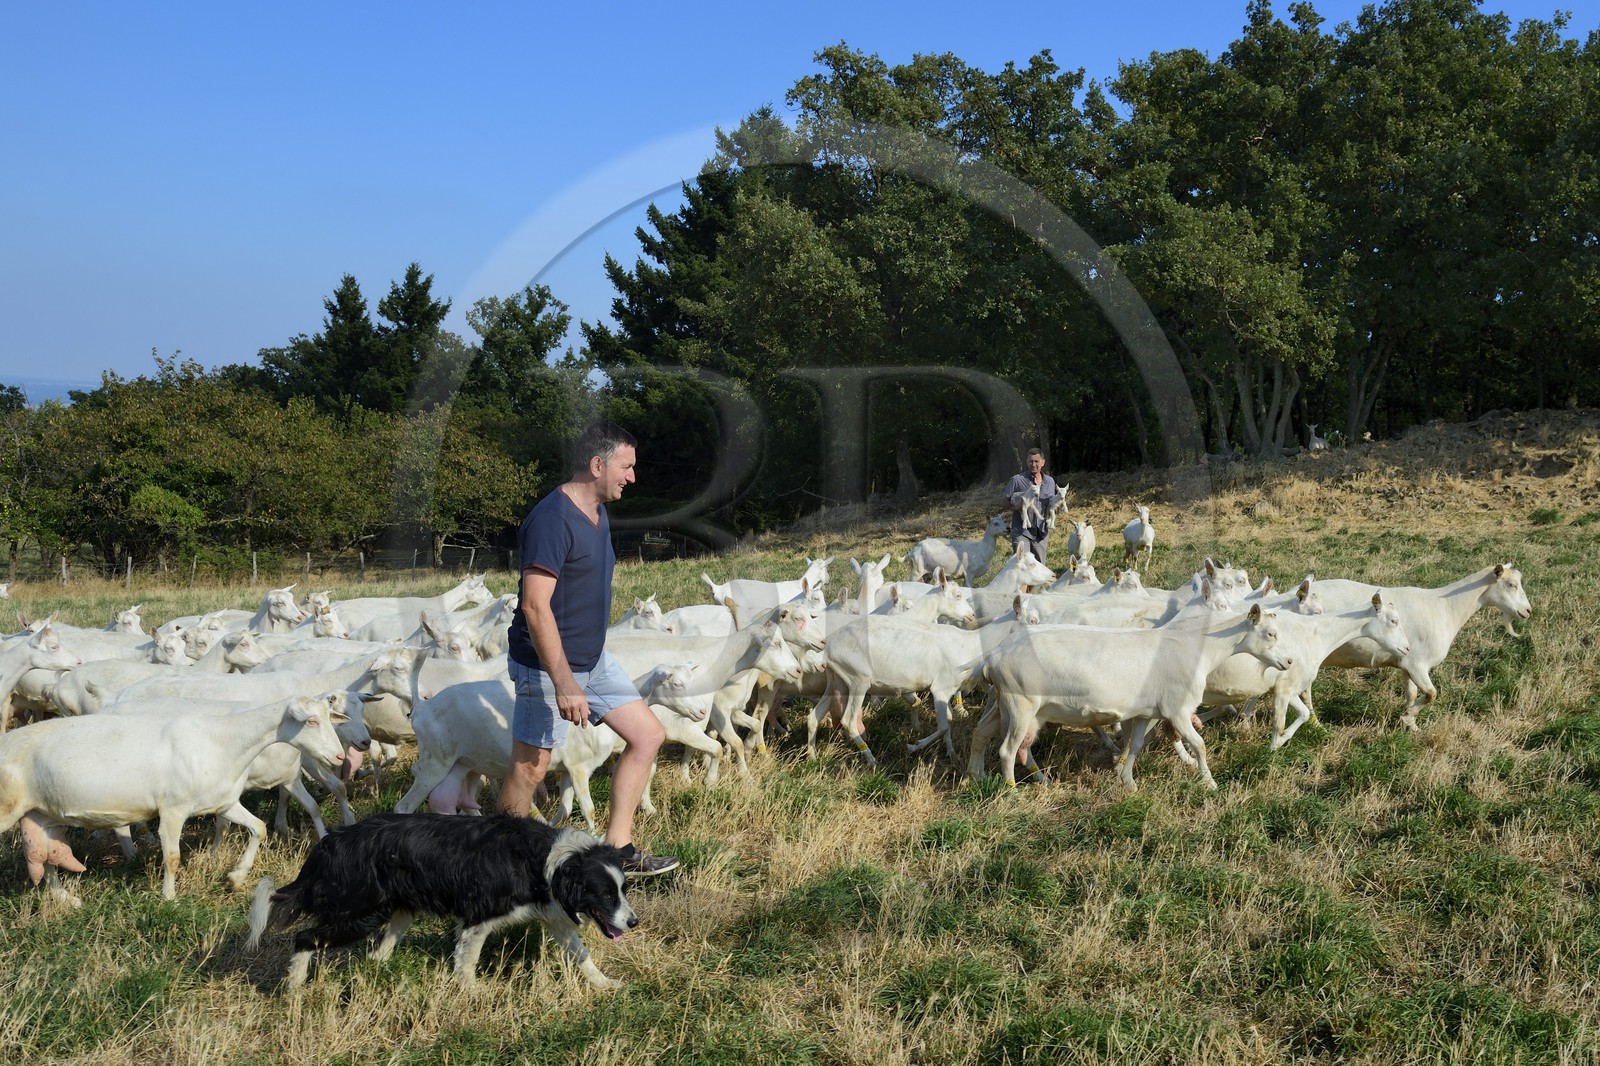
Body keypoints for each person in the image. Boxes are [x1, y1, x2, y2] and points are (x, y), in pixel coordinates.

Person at [499, 422, 678, 878]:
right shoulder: (552, 520)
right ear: (597, 465)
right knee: (531, 769)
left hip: (593, 660)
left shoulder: (598, 513)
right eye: (626, 467)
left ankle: (618, 851)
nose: (632, 477)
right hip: (547, 665)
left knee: (647, 736)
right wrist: (565, 683)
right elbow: (534, 605)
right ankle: (498, 868)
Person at [1004, 447, 1059, 566]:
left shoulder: (1050, 482)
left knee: (1038, 568)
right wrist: (1015, 508)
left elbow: (1051, 502)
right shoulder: (1017, 480)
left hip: (1041, 532)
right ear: (1027, 462)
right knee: (1022, 566)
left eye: (1036, 461)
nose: (1033, 464)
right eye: (1030, 461)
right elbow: (1004, 501)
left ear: (1043, 462)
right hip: (1021, 531)